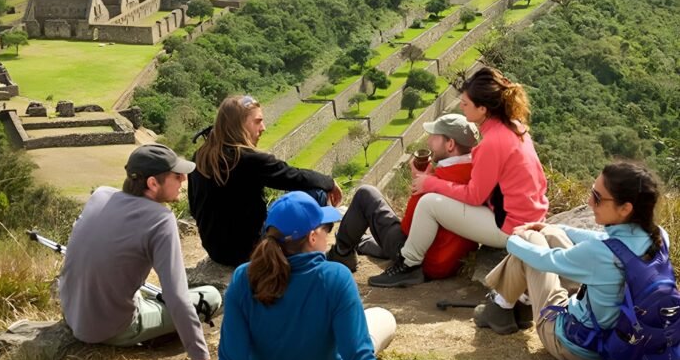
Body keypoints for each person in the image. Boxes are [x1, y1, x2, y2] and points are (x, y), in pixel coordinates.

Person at [167, 192, 423, 360]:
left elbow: (232, 359)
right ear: (313, 237)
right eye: (326, 228)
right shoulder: (336, 276)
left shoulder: (244, 276)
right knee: (382, 318)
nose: (328, 234)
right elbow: (357, 355)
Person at [476, 161, 671, 360]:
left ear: (625, 208)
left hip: (571, 346)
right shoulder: (658, 236)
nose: (589, 202)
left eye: (597, 197)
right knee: (550, 233)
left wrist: (512, 239)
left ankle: (501, 306)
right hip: (614, 338)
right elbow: (604, 243)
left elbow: (544, 260)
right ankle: (513, 305)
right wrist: (554, 227)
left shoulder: (598, 254)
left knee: (530, 239)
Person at [369, 66, 548, 288]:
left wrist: (431, 183)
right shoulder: (516, 128)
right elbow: (540, 179)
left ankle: (408, 264)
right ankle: (408, 260)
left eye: (465, 104)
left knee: (428, 203)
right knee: (436, 199)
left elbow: (474, 196)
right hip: (532, 217)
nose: (462, 108)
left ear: (482, 108)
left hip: (510, 228)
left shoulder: (491, 143)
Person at [59, 144, 222, 360]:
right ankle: (153, 335)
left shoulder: (101, 194)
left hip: (72, 313)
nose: (184, 179)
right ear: (153, 184)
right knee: (212, 296)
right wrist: (200, 357)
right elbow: (176, 296)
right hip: (112, 328)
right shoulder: (160, 219)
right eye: (176, 175)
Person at [188, 95, 343, 267]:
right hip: (249, 251)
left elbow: (194, 209)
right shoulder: (249, 160)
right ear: (238, 124)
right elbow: (294, 177)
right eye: (257, 121)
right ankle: (304, 255)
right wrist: (329, 182)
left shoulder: (200, 155)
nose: (263, 128)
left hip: (217, 251)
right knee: (316, 193)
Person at [327, 113, 479, 284]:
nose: (429, 141)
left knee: (366, 194)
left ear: (450, 144)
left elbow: (408, 228)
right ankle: (364, 243)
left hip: (424, 261)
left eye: (434, 137)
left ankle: (341, 254)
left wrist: (419, 184)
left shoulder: (438, 181)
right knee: (382, 227)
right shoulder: (479, 175)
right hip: (451, 258)